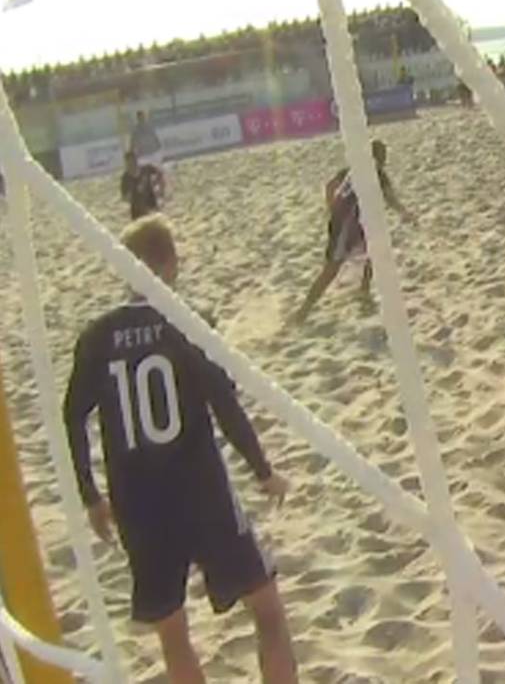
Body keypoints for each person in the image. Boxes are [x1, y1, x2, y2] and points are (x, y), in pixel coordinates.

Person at [63, 215, 298, 683]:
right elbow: (224, 404)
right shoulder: (188, 323)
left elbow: (72, 418)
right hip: (201, 488)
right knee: (268, 610)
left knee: (173, 636)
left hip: (137, 503)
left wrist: (90, 496)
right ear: (170, 264)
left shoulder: (96, 336)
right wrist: (263, 471)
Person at [290, 140, 414, 324]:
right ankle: (304, 310)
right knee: (332, 269)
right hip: (346, 227)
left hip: (355, 225)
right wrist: (404, 213)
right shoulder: (372, 173)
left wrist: (331, 207)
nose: (383, 161)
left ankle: (363, 291)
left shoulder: (356, 171)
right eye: (382, 156)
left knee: (373, 252)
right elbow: (390, 199)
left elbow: (330, 186)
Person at [120, 151, 165, 220]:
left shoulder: (146, 169)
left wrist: (160, 188)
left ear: (136, 160)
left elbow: (160, 173)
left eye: (133, 161)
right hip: (137, 211)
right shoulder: (126, 178)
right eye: (129, 163)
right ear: (126, 164)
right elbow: (125, 197)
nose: (131, 165)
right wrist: (130, 195)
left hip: (151, 205)